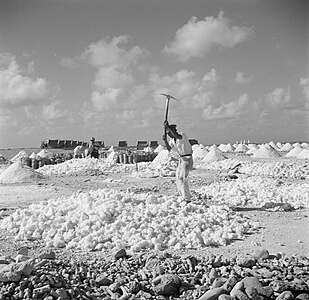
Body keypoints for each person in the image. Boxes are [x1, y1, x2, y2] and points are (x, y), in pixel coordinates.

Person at [162, 121, 193, 202]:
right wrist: (165, 141)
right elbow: (170, 150)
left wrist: (167, 127)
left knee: (182, 178)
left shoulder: (182, 135)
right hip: (181, 160)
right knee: (178, 178)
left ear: (174, 130)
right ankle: (182, 194)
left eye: (169, 132)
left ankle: (187, 198)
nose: (168, 135)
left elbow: (177, 136)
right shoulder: (172, 140)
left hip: (187, 159)